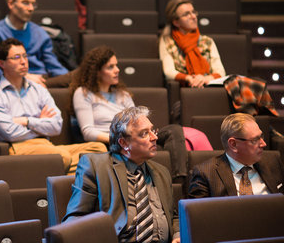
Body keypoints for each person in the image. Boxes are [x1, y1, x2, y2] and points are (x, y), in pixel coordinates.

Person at [69, 46, 212, 181]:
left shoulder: (122, 94)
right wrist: (124, 139)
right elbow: (88, 132)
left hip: (135, 136)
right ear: (97, 71)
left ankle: (179, 180)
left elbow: (138, 120)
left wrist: (142, 136)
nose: (117, 70)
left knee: (174, 130)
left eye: (116, 65)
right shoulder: (83, 93)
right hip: (113, 142)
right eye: (110, 67)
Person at [63, 106, 180, 243]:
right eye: (145, 133)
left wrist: (177, 233)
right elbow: (75, 216)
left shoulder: (161, 172)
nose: (154, 137)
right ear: (124, 143)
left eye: (153, 130)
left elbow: (172, 214)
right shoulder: (96, 165)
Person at [0, 38, 106, 174]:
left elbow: (56, 126)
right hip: (18, 148)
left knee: (98, 149)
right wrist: (41, 124)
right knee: (61, 157)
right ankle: (68, 183)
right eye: (16, 57)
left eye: (24, 56)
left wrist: (27, 121)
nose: (23, 61)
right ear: (1, 63)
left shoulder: (39, 89)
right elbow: (11, 133)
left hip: (47, 145)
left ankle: (64, 183)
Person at [0, 0, 71, 87]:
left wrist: (69, 78)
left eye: (33, 4)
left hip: (43, 80)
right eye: (25, 3)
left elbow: (53, 66)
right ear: (11, 4)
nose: (31, 8)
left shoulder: (39, 32)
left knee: (78, 78)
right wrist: (25, 77)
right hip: (14, 81)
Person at [188, 113, 284, 198]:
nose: (263, 144)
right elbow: (198, 216)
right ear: (233, 144)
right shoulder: (205, 174)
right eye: (255, 140)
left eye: (261, 136)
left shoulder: (273, 162)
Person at [159, 0, 226, 88]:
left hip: (208, 87)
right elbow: (168, 71)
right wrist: (189, 78)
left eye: (193, 12)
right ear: (176, 22)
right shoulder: (167, 42)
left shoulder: (207, 41)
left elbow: (220, 71)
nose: (193, 17)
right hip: (185, 90)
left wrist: (204, 79)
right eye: (186, 14)